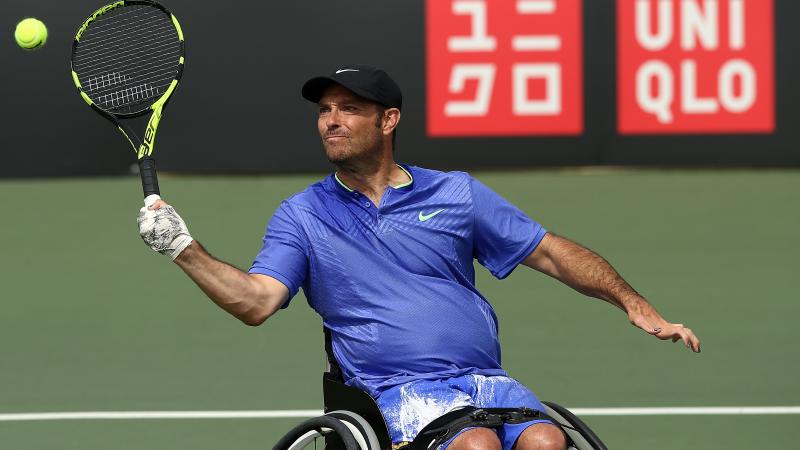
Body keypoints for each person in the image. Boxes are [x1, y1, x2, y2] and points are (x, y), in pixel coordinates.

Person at [138, 65, 701, 450]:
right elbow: (257, 301)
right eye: (325, 110)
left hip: (487, 380)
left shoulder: (455, 193)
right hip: (396, 389)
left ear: (388, 120)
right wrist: (183, 249)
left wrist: (631, 300)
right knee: (475, 445)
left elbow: (550, 252)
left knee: (547, 440)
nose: (331, 120)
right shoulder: (303, 214)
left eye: (349, 108)